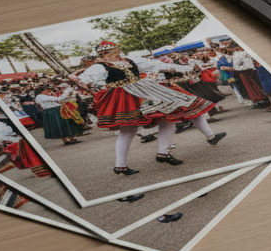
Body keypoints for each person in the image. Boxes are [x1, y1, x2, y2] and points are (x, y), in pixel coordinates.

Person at [85, 41, 225, 177]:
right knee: (128, 130)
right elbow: (84, 78)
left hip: (143, 90)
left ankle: (162, 153)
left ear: (115, 50)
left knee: (169, 116)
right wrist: (97, 89)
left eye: (108, 51)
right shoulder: (101, 66)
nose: (106, 54)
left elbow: (156, 65)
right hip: (124, 96)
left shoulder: (129, 60)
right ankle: (121, 165)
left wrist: (186, 68)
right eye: (103, 53)